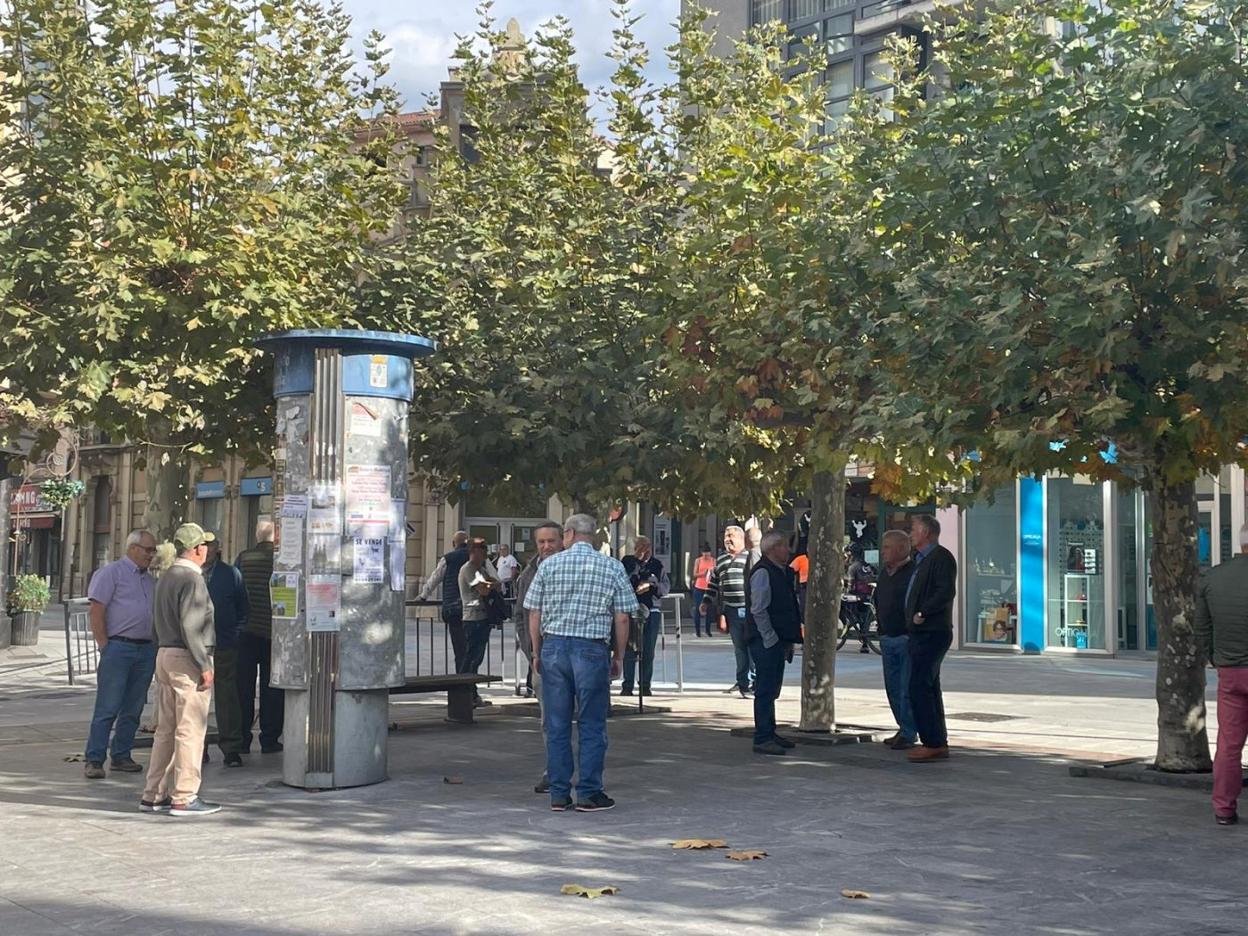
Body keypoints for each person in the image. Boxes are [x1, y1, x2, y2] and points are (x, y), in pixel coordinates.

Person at [525, 513, 638, 812]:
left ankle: (559, 794)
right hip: (591, 650)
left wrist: (537, 652)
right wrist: (619, 656)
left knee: (557, 723)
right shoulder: (612, 566)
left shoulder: (549, 566)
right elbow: (623, 616)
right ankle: (589, 792)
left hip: (554, 647)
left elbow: (533, 613)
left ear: (570, 534)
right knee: (591, 723)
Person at [141, 523, 220, 817]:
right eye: (205, 546)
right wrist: (204, 664)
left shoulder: (166, 576)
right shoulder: (192, 579)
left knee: (166, 730)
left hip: (164, 653)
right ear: (197, 548)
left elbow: (154, 621)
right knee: (190, 729)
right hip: (186, 656)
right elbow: (192, 626)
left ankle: (153, 793)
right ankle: (185, 796)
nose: (207, 551)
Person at [83, 530, 159, 780]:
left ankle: (121, 754)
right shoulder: (110, 573)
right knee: (108, 706)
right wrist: (104, 645)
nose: (151, 555)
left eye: (153, 550)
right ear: (133, 548)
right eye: (148, 550)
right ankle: (94, 758)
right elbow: (97, 610)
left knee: (134, 707)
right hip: (119, 647)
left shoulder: (150, 581)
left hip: (145, 649)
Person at [1195, 523, 1248, 826]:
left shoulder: (1213, 577)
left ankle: (1224, 808)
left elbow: (1202, 628)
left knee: (1229, 743)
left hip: (1230, 672)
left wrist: (1216, 658)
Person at [513, 520, 563, 794]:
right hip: (541, 658)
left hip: (572, 654)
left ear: (562, 541)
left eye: (551, 541)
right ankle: (554, 770)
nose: (546, 547)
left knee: (584, 718)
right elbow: (521, 615)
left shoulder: (571, 567)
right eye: (541, 542)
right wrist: (531, 651)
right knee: (549, 719)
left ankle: (584, 771)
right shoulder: (528, 574)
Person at [904, 515, 958, 763]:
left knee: (919, 686)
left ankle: (932, 742)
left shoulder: (941, 557)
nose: (910, 533)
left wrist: (922, 613)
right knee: (927, 686)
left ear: (926, 531)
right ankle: (936, 740)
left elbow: (945, 591)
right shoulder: (921, 559)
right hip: (920, 632)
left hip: (931, 631)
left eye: (914, 529)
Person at [745, 532, 803, 756]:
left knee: (772, 689)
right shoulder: (763, 572)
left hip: (778, 639)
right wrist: (770, 638)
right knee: (766, 689)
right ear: (773, 549)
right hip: (766, 641)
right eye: (785, 547)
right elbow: (758, 609)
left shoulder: (780, 572)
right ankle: (762, 737)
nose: (788, 551)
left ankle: (770, 732)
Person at [235, 520, 284, 755]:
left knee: (243, 688)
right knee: (272, 687)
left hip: (245, 632)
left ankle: (242, 738)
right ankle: (270, 738)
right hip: (273, 632)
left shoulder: (244, 558)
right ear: (276, 536)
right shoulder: (281, 560)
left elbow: (236, 591)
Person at [202, 534, 249, 767]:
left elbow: (243, 607)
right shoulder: (190, 573)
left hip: (224, 644)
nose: (207, 550)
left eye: (211, 546)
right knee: (197, 699)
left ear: (217, 549)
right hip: (196, 647)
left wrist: (235, 632)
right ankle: (198, 748)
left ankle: (231, 747)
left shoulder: (230, 574)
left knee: (227, 697)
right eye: (203, 545)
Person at [874, 530, 917, 750]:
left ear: (901, 548)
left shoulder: (913, 573)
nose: (883, 552)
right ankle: (902, 727)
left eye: (888, 547)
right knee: (892, 686)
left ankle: (909, 732)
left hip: (905, 637)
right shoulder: (885, 573)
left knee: (905, 687)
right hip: (887, 637)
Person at [701, 526, 753, 697]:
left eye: (730, 536)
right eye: (725, 536)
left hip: (749, 609)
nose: (727, 539)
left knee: (752, 647)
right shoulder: (721, 560)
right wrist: (706, 602)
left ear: (741, 538)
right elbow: (714, 584)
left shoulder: (750, 557)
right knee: (739, 648)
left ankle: (754, 681)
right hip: (731, 610)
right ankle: (742, 682)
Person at [621, 536, 669, 697]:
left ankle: (645, 685)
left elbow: (664, 588)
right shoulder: (627, 562)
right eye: (638, 546)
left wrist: (650, 585)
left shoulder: (657, 565)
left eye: (644, 546)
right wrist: (636, 563)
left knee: (648, 649)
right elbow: (623, 582)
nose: (641, 549)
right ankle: (627, 685)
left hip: (651, 609)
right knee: (630, 649)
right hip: (631, 609)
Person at [418, 531, 471, 676]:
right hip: (474, 611)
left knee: (459, 650)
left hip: (453, 608)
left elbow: (434, 578)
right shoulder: (477, 557)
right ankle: (470, 689)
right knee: (472, 652)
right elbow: (494, 578)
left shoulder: (448, 558)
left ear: (454, 544)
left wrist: (423, 596)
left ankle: (463, 687)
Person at [457, 538, 500, 707]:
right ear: (473, 552)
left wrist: (490, 582)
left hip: (483, 618)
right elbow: (483, 589)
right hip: (472, 617)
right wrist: (491, 585)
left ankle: (472, 694)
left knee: (477, 658)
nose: (484, 555)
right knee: (469, 658)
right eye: (481, 551)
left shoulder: (480, 569)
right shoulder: (468, 569)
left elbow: (496, 583)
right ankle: (463, 695)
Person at [846, 543, 877, 653]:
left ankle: (850, 621)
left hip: (859, 595)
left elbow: (850, 585)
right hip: (868, 595)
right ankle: (865, 643)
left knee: (845, 601)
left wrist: (846, 592)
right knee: (864, 616)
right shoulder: (867, 565)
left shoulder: (853, 567)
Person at [691, 543, 716, 637]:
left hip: (709, 587)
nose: (706, 556)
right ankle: (697, 631)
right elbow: (694, 574)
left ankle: (708, 630)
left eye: (708, 554)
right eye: (704, 554)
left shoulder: (713, 561)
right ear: (702, 553)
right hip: (699, 587)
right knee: (698, 608)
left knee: (709, 609)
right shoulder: (698, 561)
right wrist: (703, 573)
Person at [789, 550, 810, 616]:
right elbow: (789, 570)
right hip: (805, 586)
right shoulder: (801, 559)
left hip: (817, 587)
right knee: (803, 608)